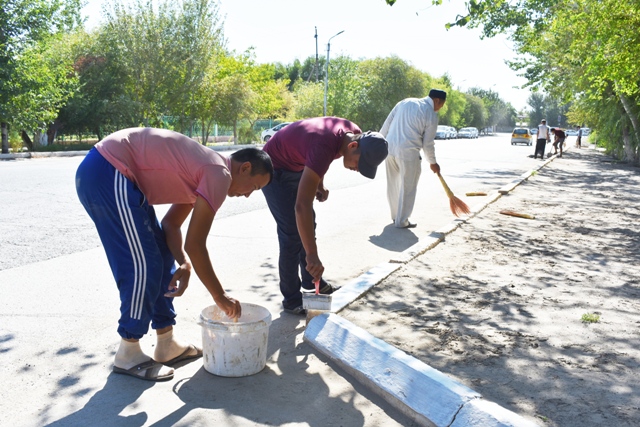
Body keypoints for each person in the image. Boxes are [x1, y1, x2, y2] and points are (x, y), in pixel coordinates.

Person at [75, 127, 273, 381]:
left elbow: (171, 225)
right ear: (244, 168)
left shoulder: (207, 170)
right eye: (253, 187)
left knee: (161, 253)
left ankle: (166, 342)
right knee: (142, 265)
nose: (247, 195)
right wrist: (220, 296)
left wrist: (183, 262)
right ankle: (128, 351)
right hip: (107, 170)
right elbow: (196, 243)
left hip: (118, 176)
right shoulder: (219, 173)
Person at [262, 117, 388, 315]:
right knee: (291, 234)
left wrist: (319, 184)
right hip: (274, 168)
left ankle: (311, 282)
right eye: (359, 163)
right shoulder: (326, 143)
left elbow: (320, 158)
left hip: (297, 165)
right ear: (353, 145)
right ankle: (292, 299)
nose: (357, 169)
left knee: (307, 227)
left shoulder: (352, 133)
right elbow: (301, 206)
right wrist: (312, 255)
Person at [379, 89, 447, 229]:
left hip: (389, 149)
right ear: (437, 101)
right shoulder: (431, 114)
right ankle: (402, 220)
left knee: (393, 184)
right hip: (408, 154)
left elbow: (386, 125)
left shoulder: (405, 102)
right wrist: (433, 162)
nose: (440, 108)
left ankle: (395, 216)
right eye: (441, 105)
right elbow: (427, 144)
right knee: (408, 187)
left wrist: (378, 143)